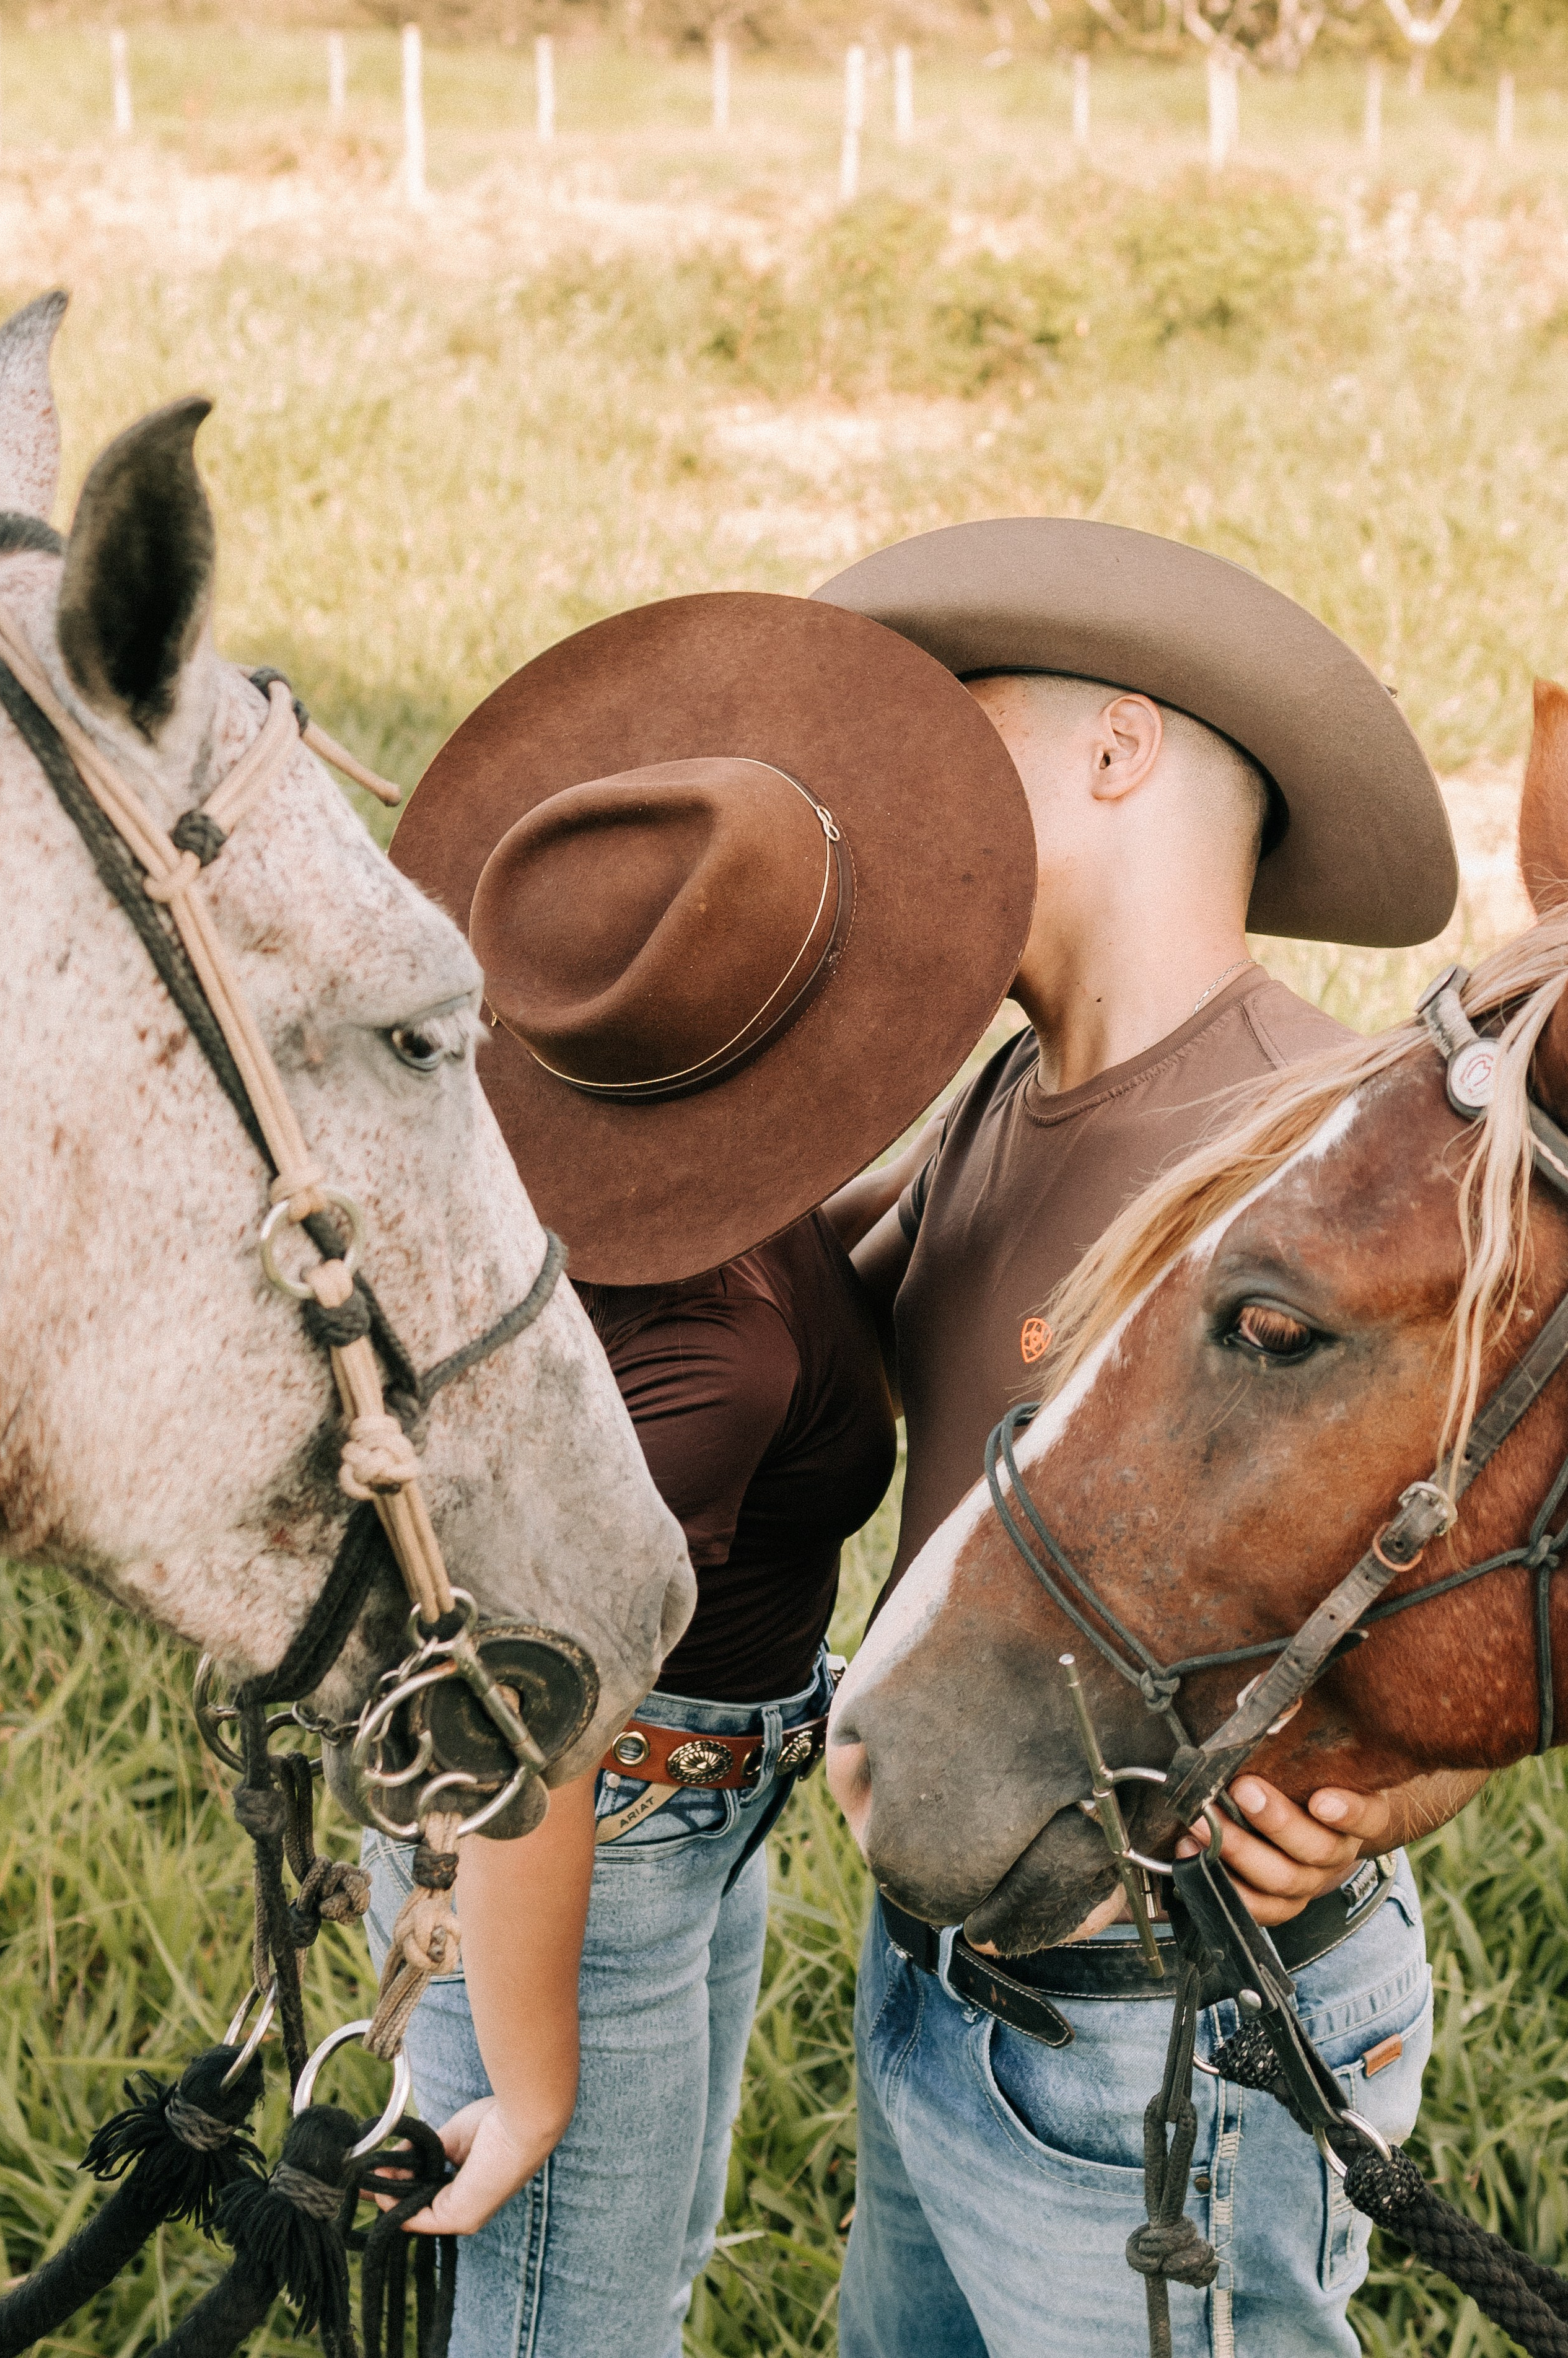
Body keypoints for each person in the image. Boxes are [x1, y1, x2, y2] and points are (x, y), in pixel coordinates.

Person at [816, 519, 1487, 2357]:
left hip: (1169, 2023)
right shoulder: (1006, 1090)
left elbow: (1497, 1521)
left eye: (954, 745)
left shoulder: (1315, 1148)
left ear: (1118, 750)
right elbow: (793, 1342)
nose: (899, 807)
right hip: (948, 1940)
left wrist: (1394, 1791)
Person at [365, 587, 1038, 2357]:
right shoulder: (699, 1367)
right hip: (579, 1838)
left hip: (683, 1802)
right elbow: (525, 1745)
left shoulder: (663, 1209)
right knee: (569, 2328)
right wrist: (532, 2084)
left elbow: (816, 1275)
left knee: (636, 2280)